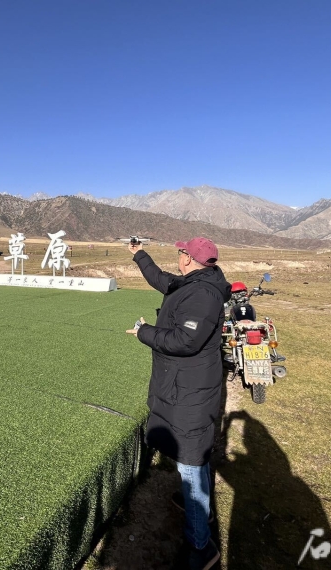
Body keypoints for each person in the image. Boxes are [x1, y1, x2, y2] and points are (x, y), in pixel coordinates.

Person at [126, 237, 231, 570]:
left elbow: (185, 340)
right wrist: (139, 254)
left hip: (190, 391)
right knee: (194, 455)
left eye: (180, 251)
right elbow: (160, 279)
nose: (178, 255)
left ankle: (201, 546)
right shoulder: (192, 282)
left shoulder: (202, 294)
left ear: (187, 258)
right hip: (184, 385)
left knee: (191, 462)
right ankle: (201, 510)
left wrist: (144, 331)